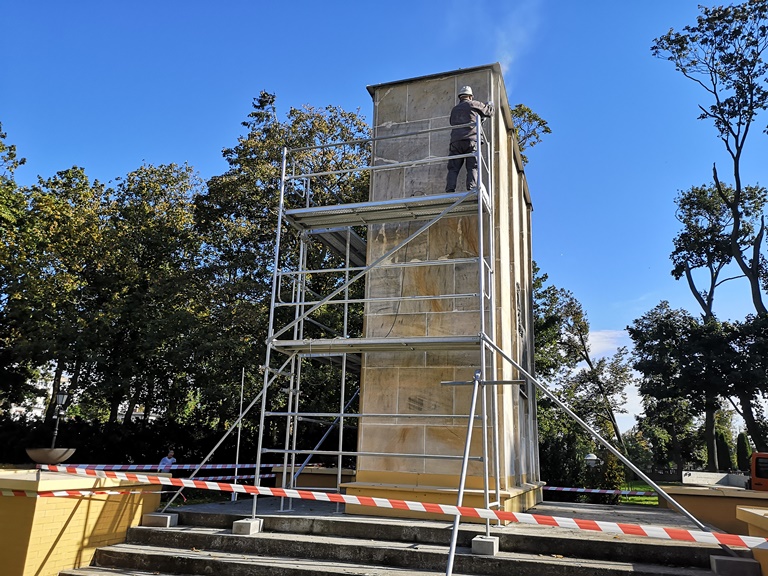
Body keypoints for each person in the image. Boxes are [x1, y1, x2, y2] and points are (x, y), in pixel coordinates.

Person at [445, 85, 494, 193]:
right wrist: (490, 105)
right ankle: (471, 189)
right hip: (471, 140)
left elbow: (452, 122)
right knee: (472, 167)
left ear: (460, 97)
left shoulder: (454, 109)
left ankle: (450, 189)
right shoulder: (474, 104)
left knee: (453, 168)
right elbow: (490, 112)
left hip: (456, 142)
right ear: (470, 96)